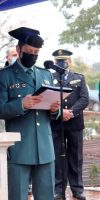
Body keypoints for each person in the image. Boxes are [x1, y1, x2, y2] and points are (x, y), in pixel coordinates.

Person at [0, 27, 60, 200]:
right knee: (17, 196)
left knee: (46, 196)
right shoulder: (4, 76)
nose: (33, 55)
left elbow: (54, 114)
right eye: (29, 52)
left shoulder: (46, 76)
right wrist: (21, 104)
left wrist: (55, 110)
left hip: (45, 148)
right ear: (19, 50)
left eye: (36, 52)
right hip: (19, 149)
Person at [51, 49, 89, 200]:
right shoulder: (50, 77)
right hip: (56, 123)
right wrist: (61, 112)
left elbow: (84, 99)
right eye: (58, 61)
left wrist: (71, 112)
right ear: (54, 63)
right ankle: (58, 190)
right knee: (57, 157)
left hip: (74, 123)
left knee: (76, 156)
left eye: (64, 60)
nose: (62, 63)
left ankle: (77, 189)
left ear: (70, 61)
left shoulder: (79, 78)